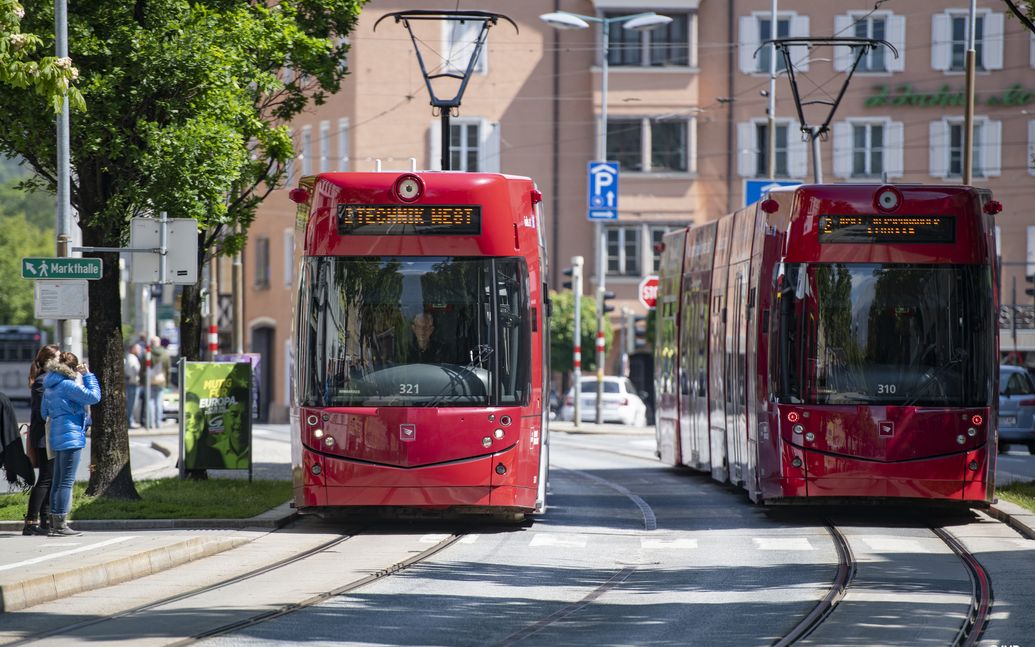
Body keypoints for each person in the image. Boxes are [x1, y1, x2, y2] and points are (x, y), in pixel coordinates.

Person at [41, 351, 101, 537]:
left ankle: (53, 523)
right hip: (71, 435)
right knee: (66, 482)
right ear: (73, 369)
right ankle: (60, 525)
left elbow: (44, 412)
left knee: (58, 481)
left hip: (57, 435)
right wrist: (88, 375)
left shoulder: (50, 386)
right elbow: (94, 397)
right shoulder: (67, 385)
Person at [22, 344, 60, 536]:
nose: (61, 361)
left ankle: (45, 520)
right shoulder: (42, 382)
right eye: (58, 357)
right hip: (43, 437)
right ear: (49, 360)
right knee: (45, 479)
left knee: (50, 478)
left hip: (48, 435)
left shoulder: (47, 380)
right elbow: (41, 413)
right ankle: (30, 522)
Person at [148, 336, 171, 428]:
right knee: (158, 403)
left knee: (150, 403)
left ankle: (151, 423)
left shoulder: (148, 353)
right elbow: (168, 369)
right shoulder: (165, 354)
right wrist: (167, 382)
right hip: (161, 381)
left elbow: (143, 368)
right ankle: (158, 423)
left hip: (149, 381)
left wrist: (142, 380)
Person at [125, 343, 142, 429]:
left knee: (132, 403)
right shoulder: (132, 358)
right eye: (138, 349)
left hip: (132, 383)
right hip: (133, 383)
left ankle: (130, 420)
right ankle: (130, 421)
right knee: (132, 404)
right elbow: (134, 369)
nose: (139, 351)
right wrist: (135, 379)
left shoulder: (131, 357)